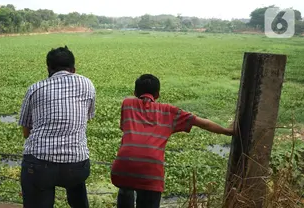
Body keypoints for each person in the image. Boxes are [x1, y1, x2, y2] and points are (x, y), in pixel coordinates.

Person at [110, 74, 234, 208]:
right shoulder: (169, 112)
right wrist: (227, 131)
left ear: (135, 93)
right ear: (157, 94)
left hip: (122, 169)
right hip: (151, 172)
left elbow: (125, 129)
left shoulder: (127, 104)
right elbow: (202, 123)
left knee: (125, 188)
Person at [18, 46, 96, 208]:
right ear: (73, 69)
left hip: (39, 166)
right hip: (77, 166)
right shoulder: (87, 84)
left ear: (48, 68)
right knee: (77, 189)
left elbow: (26, 132)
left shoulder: (35, 88)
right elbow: (86, 118)